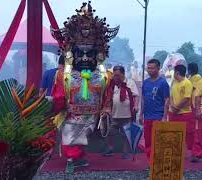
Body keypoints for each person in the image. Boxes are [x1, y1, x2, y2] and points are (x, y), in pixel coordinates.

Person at [50, 2, 118, 173]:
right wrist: (54, 107)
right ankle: (74, 158)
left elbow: (107, 98)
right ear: (72, 54)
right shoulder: (63, 76)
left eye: (90, 54)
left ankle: (76, 157)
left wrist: (106, 111)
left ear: (99, 54)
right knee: (71, 137)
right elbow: (58, 98)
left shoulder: (104, 77)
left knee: (80, 136)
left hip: (92, 116)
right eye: (81, 54)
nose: (86, 58)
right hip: (72, 114)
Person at [103, 65, 139, 159]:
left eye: (117, 75)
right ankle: (110, 149)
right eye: (114, 75)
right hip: (114, 114)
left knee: (126, 135)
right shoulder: (112, 84)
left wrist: (135, 106)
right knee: (110, 132)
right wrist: (106, 108)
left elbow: (135, 96)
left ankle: (126, 152)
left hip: (127, 114)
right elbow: (108, 97)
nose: (115, 77)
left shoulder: (130, 82)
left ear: (123, 74)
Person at [139, 59, 170, 160]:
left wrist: (164, 117)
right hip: (147, 117)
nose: (149, 70)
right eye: (148, 68)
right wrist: (141, 114)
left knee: (158, 141)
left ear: (158, 68)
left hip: (158, 116)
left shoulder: (163, 83)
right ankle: (150, 162)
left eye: (152, 68)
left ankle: (158, 161)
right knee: (148, 141)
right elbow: (143, 99)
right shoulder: (145, 83)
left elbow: (166, 100)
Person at [168, 65, 194, 151]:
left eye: (174, 72)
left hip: (184, 113)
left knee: (187, 133)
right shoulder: (173, 82)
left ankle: (188, 150)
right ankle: (175, 149)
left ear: (177, 73)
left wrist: (177, 107)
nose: (173, 74)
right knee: (173, 132)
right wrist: (172, 105)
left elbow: (187, 98)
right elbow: (170, 95)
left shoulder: (187, 83)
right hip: (173, 112)